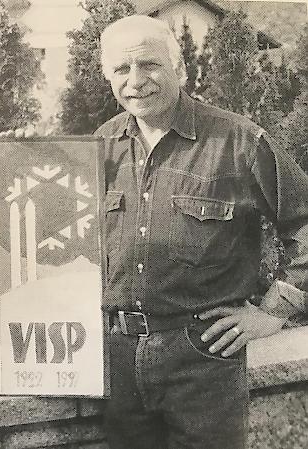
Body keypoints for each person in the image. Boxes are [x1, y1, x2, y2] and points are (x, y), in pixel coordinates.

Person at [94, 15, 308, 449]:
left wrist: (274, 310)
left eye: (150, 65)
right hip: (115, 360)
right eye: (121, 69)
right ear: (107, 76)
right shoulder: (100, 145)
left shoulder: (240, 140)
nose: (136, 81)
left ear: (181, 69)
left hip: (202, 358)